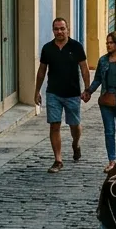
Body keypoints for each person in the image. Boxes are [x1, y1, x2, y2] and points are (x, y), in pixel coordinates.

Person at [35, 18, 90, 173]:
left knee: (74, 125)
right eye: (56, 29)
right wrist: (37, 91)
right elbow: (41, 71)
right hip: (53, 93)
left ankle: (76, 143)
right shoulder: (47, 49)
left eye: (62, 28)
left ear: (68, 30)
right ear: (53, 30)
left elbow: (84, 69)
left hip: (72, 94)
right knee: (54, 125)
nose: (59, 32)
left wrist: (87, 89)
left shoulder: (76, 47)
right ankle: (58, 160)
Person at [85, 32, 116, 173]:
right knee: (109, 131)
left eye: (111, 43)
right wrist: (89, 91)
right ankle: (112, 161)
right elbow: (97, 80)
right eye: (107, 43)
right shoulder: (103, 61)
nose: (108, 45)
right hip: (106, 101)